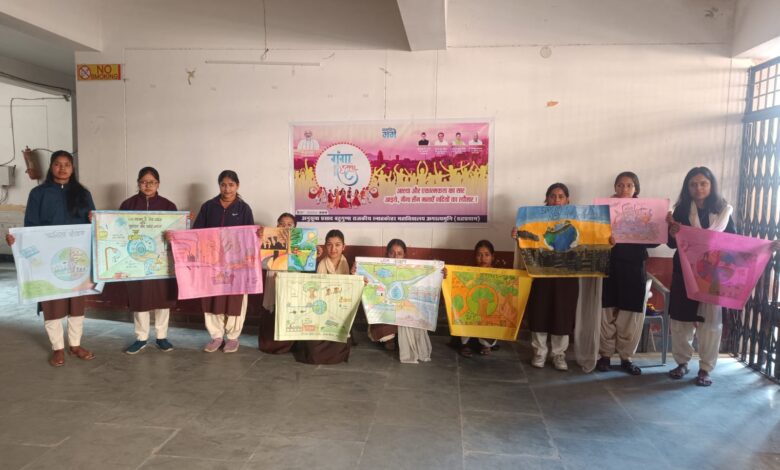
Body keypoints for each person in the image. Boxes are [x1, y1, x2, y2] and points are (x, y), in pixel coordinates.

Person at [5, 150, 96, 366]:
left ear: (73, 168)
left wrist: (95, 219)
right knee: (52, 301)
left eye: (67, 164)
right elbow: (30, 227)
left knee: (77, 302)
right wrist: (17, 240)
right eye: (58, 164)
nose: (62, 168)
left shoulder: (83, 194)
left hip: (76, 257)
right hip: (48, 257)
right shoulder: (38, 193)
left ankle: (75, 345)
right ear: (51, 167)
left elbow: (93, 225)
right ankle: (58, 348)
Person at [666, 167, 735, 386]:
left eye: (703, 183)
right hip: (684, 271)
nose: (698, 188)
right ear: (687, 187)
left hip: (711, 275)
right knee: (680, 320)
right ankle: (682, 363)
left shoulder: (723, 211)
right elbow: (671, 244)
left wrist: (764, 247)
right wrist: (672, 232)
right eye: (693, 184)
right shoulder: (681, 210)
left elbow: (734, 242)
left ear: (711, 185)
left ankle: (705, 368)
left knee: (711, 322)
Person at [597, 172, 658, 375]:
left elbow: (654, 241)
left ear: (636, 189)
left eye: (629, 185)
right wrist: (605, 238)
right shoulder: (603, 211)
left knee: (630, 315)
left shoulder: (646, 212)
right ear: (615, 187)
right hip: (609, 267)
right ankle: (605, 355)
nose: (624, 189)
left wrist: (662, 224)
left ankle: (626, 357)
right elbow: (593, 235)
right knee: (606, 313)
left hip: (633, 268)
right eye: (620, 185)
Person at [192, 170, 254, 354]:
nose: (227, 189)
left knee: (235, 299)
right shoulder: (208, 206)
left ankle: (233, 337)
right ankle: (216, 336)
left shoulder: (243, 209)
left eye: (231, 185)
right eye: (223, 185)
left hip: (236, 265)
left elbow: (249, 235)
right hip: (212, 263)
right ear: (219, 185)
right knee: (212, 298)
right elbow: (196, 232)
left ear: (237, 185)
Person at [122, 167, 179, 354]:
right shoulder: (128, 205)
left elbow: (178, 232)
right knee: (140, 298)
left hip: (161, 260)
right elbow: (118, 230)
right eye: (144, 182)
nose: (148, 185)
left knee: (163, 298)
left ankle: (162, 336)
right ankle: (141, 337)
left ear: (158, 184)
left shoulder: (169, 206)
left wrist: (182, 223)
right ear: (138, 183)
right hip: (136, 260)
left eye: (152, 182)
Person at [523, 183, 579, 371]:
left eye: (561, 196)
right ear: (546, 199)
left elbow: (586, 240)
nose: (556, 200)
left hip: (567, 275)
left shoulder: (578, 220)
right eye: (552, 196)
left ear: (567, 200)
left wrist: (606, 240)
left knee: (562, 315)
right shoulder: (534, 219)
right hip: (542, 273)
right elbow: (527, 240)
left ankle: (558, 355)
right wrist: (517, 234)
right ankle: (539, 352)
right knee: (539, 312)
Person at [293, 229, 352, 364]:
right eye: (329, 245)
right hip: (320, 310)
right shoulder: (318, 264)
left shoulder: (349, 266)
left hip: (340, 311)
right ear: (325, 246)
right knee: (313, 351)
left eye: (337, 245)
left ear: (344, 247)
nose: (333, 249)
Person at [452, 240, 501, 357]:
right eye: (479, 255)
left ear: (493, 257)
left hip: (489, 308)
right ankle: (465, 344)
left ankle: (486, 344)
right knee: (464, 311)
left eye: (487, 255)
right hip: (473, 307)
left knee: (494, 314)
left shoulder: (500, 275)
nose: (483, 258)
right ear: (475, 257)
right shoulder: (469, 274)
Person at [258, 212, 296, 354]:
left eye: (289, 225)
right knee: (272, 307)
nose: (285, 227)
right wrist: (261, 238)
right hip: (273, 278)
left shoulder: (301, 243)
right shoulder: (270, 240)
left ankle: (290, 344)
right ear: (276, 226)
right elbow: (262, 262)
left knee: (290, 307)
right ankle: (270, 344)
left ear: (295, 228)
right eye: (282, 224)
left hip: (292, 280)